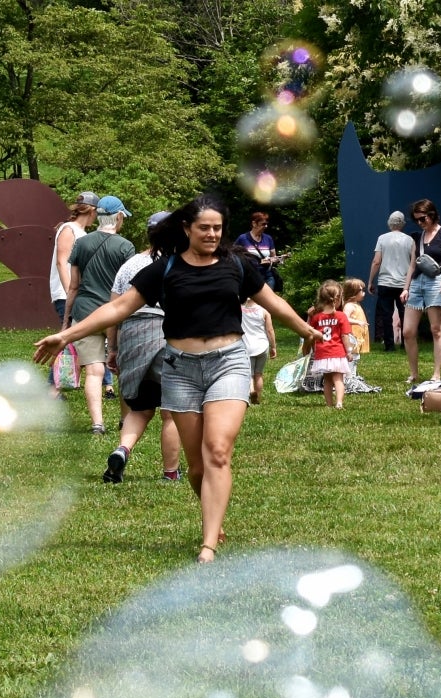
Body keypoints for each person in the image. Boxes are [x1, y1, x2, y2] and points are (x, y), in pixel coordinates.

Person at [34, 194, 324, 563]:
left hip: (228, 364)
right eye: (204, 227)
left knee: (217, 450)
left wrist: (305, 330)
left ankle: (208, 545)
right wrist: (66, 335)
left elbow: (273, 302)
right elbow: (118, 307)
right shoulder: (164, 269)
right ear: (186, 228)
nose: (212, 234)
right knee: (196, 466)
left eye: (217, 228)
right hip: (181, 369)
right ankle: (212, 519)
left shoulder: (236, 265)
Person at [104, 210, 184, 483]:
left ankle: (122, 450)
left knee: (139, 408)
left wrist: (112, 349)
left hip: (131, 335)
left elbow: (114, 309)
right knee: (171, 412)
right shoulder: (180, 263)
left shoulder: (130, 265)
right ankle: (171, 472)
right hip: (165, 334)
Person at [64, 195, 135, 434]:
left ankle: (97, 424)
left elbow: (74, 286)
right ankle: (125, 421)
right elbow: (127, 287)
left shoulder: (82, 243)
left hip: (84, 313)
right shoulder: (126, 247)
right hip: (114, 313)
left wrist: (66, 322)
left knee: (94, 371)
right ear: (117, 217)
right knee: (123, 369)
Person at [402, 199, 441, 384]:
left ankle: (436, 373)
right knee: (407, 331)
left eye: (422, 219)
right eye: (417, 220)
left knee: (436, 329)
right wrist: (405, 288)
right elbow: (412, 265)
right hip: (417, 283)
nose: (420, 223)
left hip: (437, 282)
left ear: (431, 215)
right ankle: (414, 373)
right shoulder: (417, 237)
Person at [367, 211, 414, 353]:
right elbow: (413, 262)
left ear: (389, 223)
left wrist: (370, 281)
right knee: (405, 314)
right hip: (403, 284)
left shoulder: (382, 238)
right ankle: (406, 344)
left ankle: (389, 345)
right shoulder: (409, 240)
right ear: (403, 224)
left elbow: (376, 261)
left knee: (386, 315)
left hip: (385, 282)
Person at [51, 191, 98, 326]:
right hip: (66, 295)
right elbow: (61, 262)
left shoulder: (82, 232)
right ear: (92, 211)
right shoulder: (69, 229)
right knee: (70, 338)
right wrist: (69, 293)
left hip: (77, 295)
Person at [307, 280, 354, 409]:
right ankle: (339, 402)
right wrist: (349, 351)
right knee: (338, 379)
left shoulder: (316, 317)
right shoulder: (341, 316)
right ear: (337, 299)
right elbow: (345, 335)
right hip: (337, 353)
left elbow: (311, 335)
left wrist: (313, 349)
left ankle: (328, 404)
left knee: (327, 380)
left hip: (322, 353)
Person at [242, 297, 277, 405]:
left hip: (247, 346)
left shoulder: (240, 310)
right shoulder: (264, 311)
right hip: (262, 346)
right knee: (259, 373)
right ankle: (258, 395)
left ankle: (251, 390)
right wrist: (273, 347)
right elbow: (270, 330)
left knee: (250, 374)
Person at [237, 211, 282, 293]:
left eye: (266, 224)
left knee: (267, 304)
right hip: (250, 278)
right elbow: (234, 255)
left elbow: (274, 257)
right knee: (250, 304)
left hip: (267, 277)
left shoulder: (268, 238)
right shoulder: (242, 238)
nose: (266, 226)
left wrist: (274, 260)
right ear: (254, 224)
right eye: (263, 224)